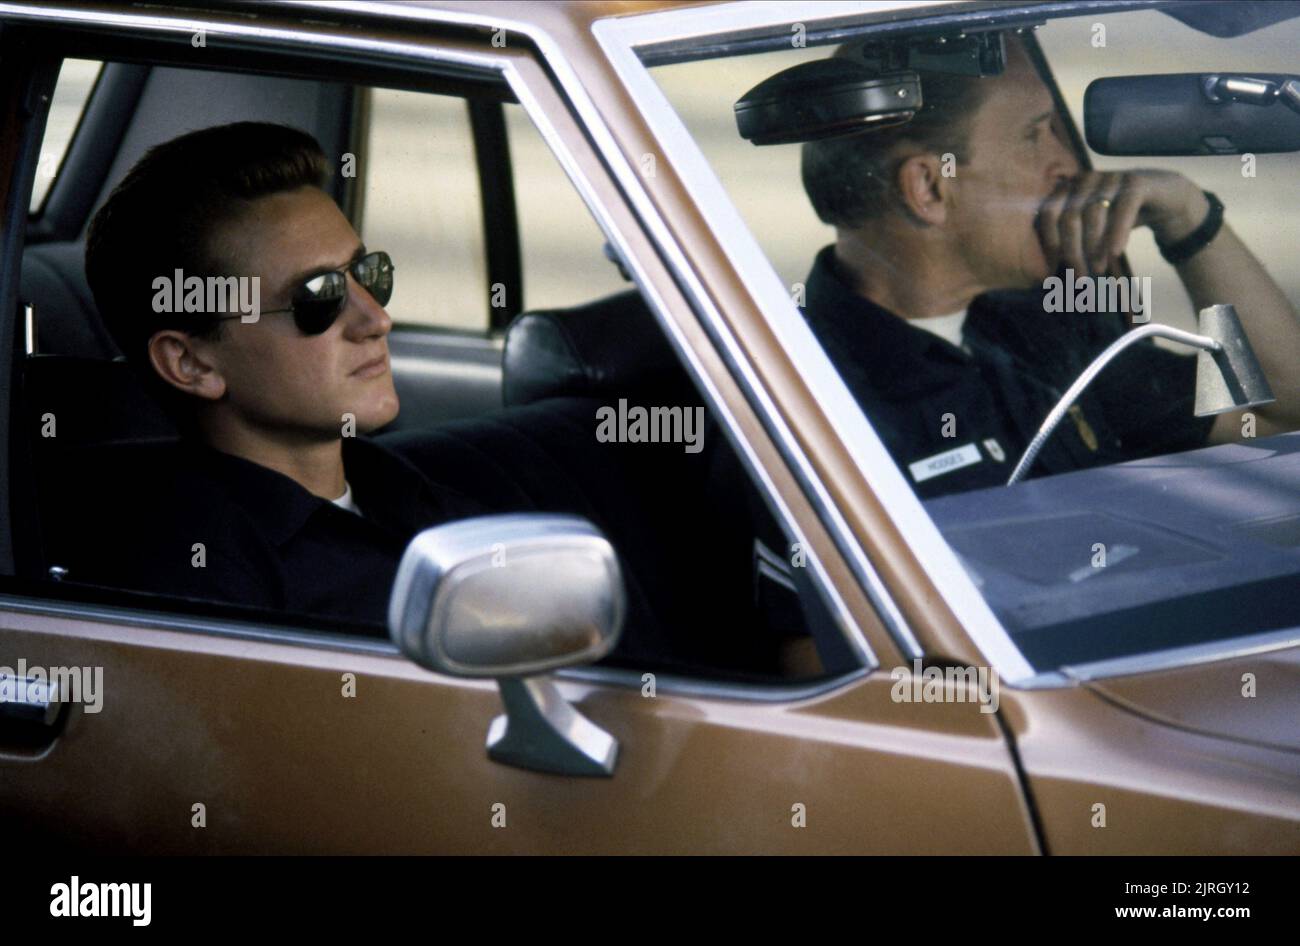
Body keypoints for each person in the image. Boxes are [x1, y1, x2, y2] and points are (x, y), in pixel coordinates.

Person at [798, 34, 1300, 499]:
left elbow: (1273, 414)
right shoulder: (799, 398)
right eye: (1036, 136)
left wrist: (1190, 219)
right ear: (930, 188)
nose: (1068, 166)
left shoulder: (1046, 331)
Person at [74, 121, 481, 629]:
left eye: (367, 273)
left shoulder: (411, 490)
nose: (376, 319)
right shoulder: (203, 582)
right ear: (192, 364)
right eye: (318, 297)